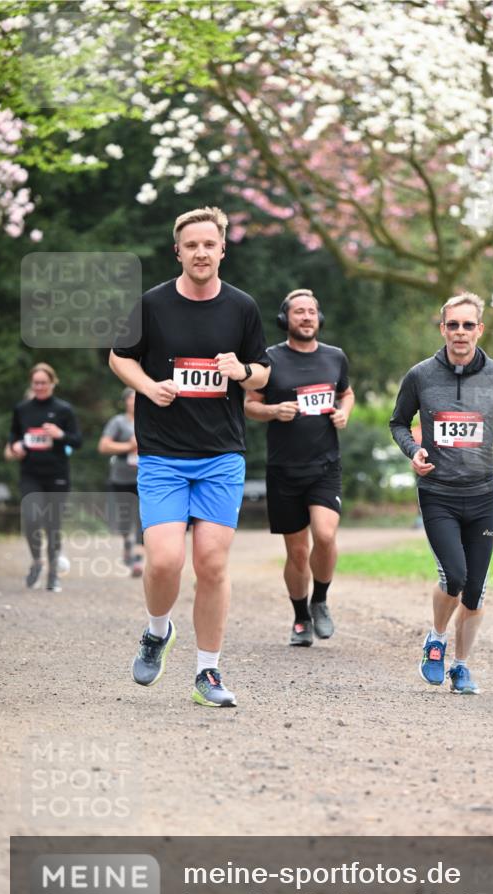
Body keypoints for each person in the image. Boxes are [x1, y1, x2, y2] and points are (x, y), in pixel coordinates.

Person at [108, 206, 270, 708]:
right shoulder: (152, 304)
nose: (201, 252)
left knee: (212, 565)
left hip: (222, 455)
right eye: (191, 245)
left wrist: (240, 370)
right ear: (178, 251)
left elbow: (264, 372)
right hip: (162, 454)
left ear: (223, 249)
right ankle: (158, 631)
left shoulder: (242, 308)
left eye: (209, 244)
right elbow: (119, 356)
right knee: (163, 562)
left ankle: (208, 672)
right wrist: (148, 387)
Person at [390, 291, 493, 695]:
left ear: (480, 329)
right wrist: (413, 450)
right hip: (439, 493)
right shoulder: (420, 376)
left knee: (476, 587)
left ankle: (461, 666)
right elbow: (398, 422)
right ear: (443, 329)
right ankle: (436, 639)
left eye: (469, 325)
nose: (461, 332)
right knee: (454, 576)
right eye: (454, 325)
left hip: (483, 494)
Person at [244, 289, 354, 646]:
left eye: (311, 311)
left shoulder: (335, 357)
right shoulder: (270, 359)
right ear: (285, 319)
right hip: (284, 468)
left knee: (324, 535)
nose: (306, 317)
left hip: (325, 465)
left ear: (318, 318)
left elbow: (346, 393)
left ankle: (320, 600)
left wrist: (343, 412)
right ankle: (300, 617)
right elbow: (250, 405)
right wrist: (274, 411)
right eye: (298, 312)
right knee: (297, 552)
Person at [4, 362, 82, 592]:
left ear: (52, 383)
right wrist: (15, 445)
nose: (39, 386)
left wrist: (60, 434)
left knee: (53, 525)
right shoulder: (22, 409)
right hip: (30, 474)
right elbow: (14, 434)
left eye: (43, 383)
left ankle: (53, 575)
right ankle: (37, 561)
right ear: (32, 383)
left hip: (57, 475)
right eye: (35, 383)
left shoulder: (64, 410)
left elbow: (77, 440)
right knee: (30, 519)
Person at [98, 387, 144, 576]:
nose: (134, 402)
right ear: (125, 401)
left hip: (146, 477)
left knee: (143, 517)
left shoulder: (150, 420)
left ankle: (138, 559)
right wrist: (129, 446)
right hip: (121, 477)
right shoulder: (118, 422)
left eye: (138, 398)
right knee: (125, 518)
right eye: (132, 399)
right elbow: (103, 446)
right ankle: (127, 546)